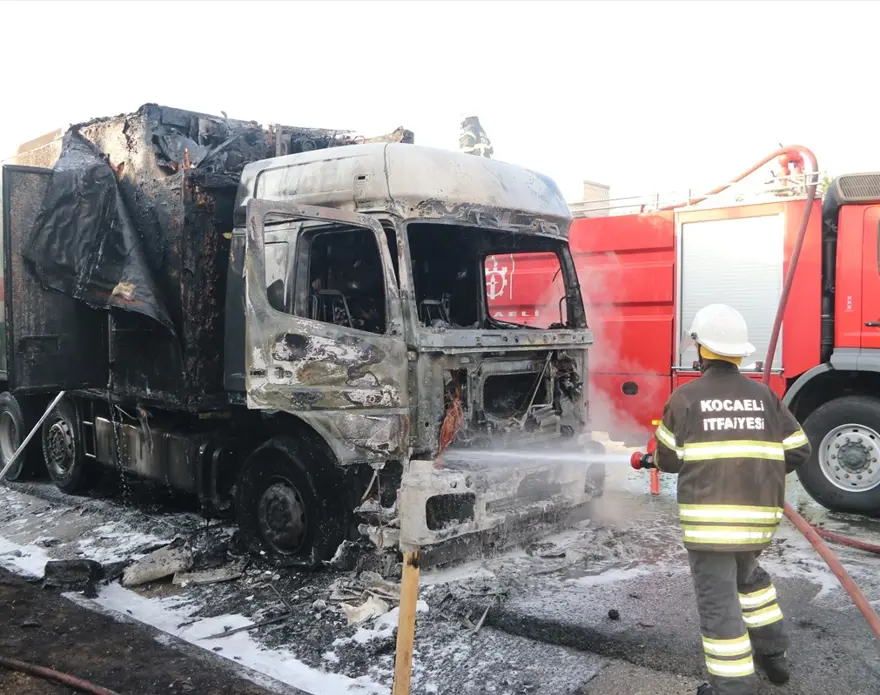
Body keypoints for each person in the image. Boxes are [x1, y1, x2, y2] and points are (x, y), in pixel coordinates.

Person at [645, 304, 812, 695]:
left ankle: (733, 688)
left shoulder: (685, 398)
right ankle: (774, 655)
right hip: (757, 521)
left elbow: (668, 460)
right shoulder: (765, 396)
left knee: (719, 605)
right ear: (739, 352)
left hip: (711, 528)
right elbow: (799, 451)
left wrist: (654, 458)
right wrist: (757, 471)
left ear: (701, 349)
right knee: (751, 581)